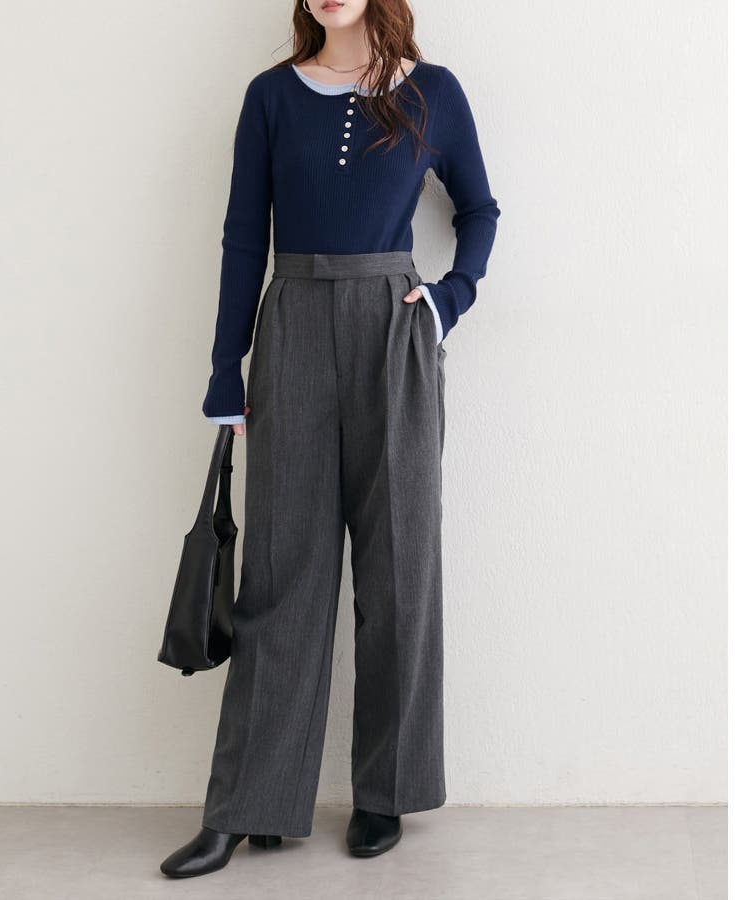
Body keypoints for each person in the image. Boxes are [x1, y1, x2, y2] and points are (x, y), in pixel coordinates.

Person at [161, 0, 500, 878]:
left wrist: (449, 301)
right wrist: (225, 367)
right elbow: (245, 236)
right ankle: (246, 806)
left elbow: (480, 209)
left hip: (394, 328)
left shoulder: (433, 93)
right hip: (295, 324)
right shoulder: (271, 96)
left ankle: (386, 791)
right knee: (280, 574)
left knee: (399, 571)